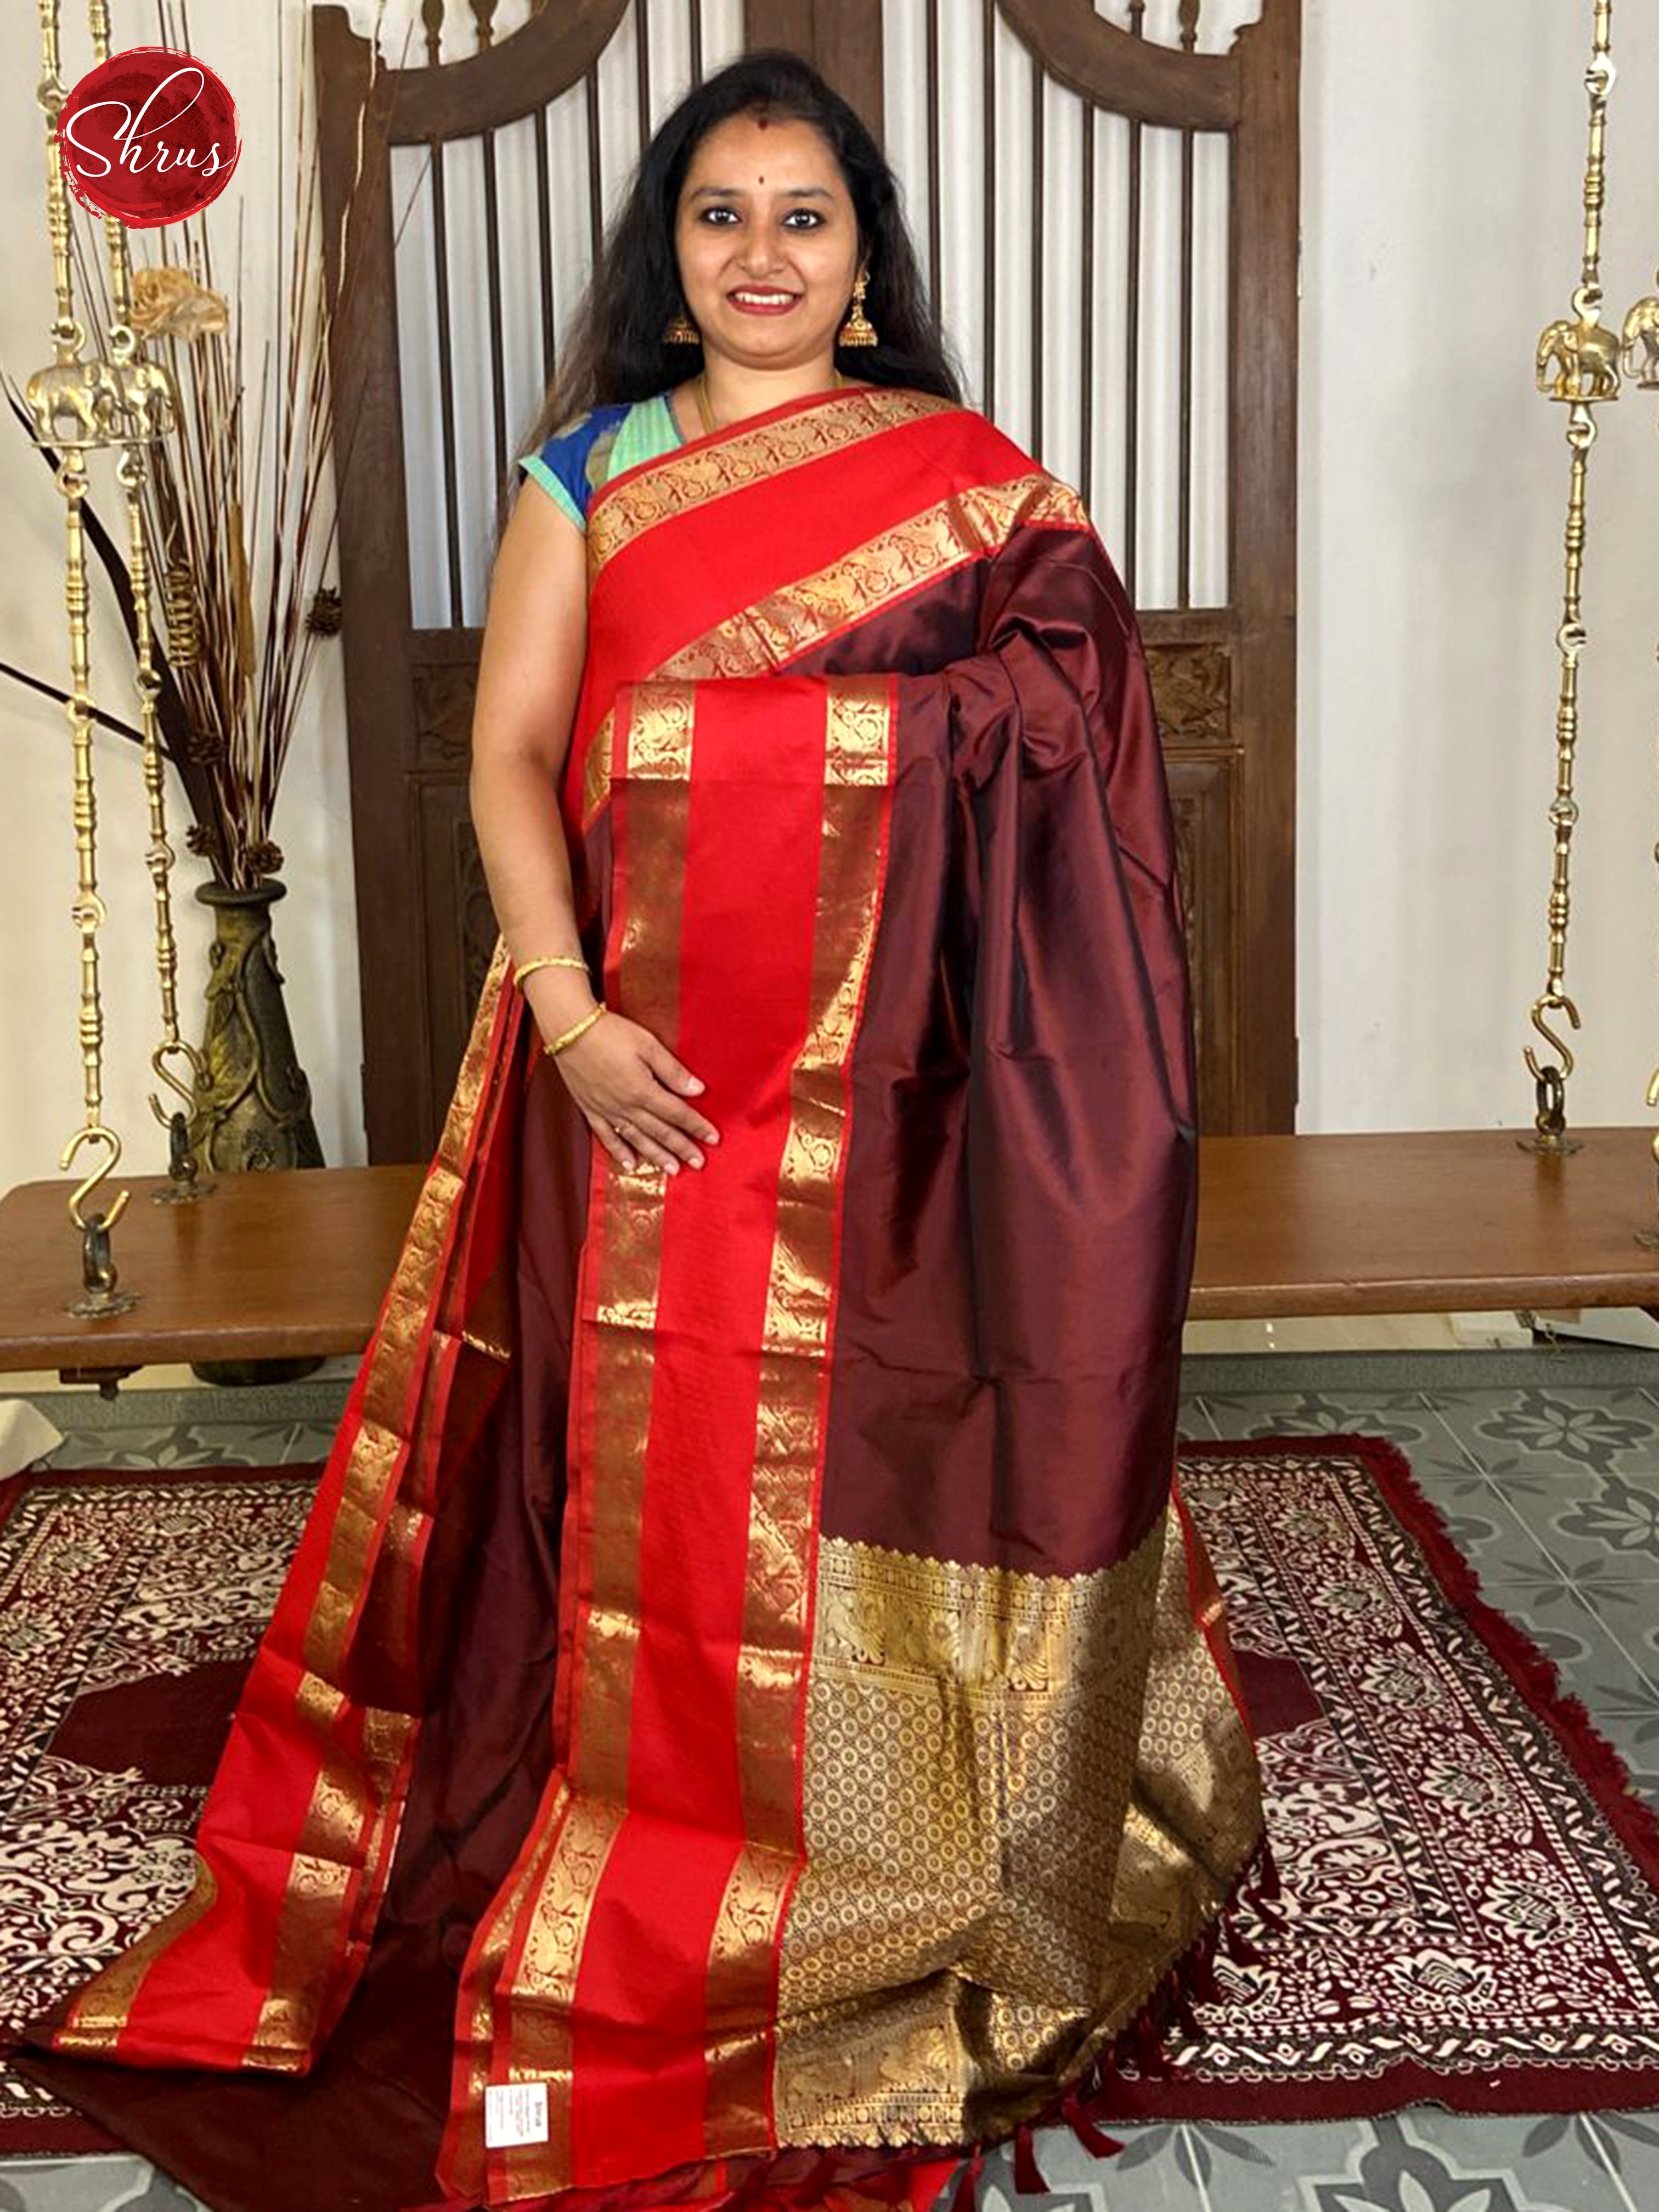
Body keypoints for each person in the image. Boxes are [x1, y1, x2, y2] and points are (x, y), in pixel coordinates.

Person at [17, 48, 1269, 2212]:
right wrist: (576, 1011)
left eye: (805, 215)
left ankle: (894, 1835)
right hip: (638, 1074)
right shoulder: (586, 468)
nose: (762, 251)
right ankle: (629, 1815)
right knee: (633, 1466)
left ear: (864, 268)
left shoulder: (975, 490)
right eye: (720, 213)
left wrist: (806, 753)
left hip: (904, 1093)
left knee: (892, 1449)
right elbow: (512, 758)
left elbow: (1071, 741)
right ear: (670, 260)